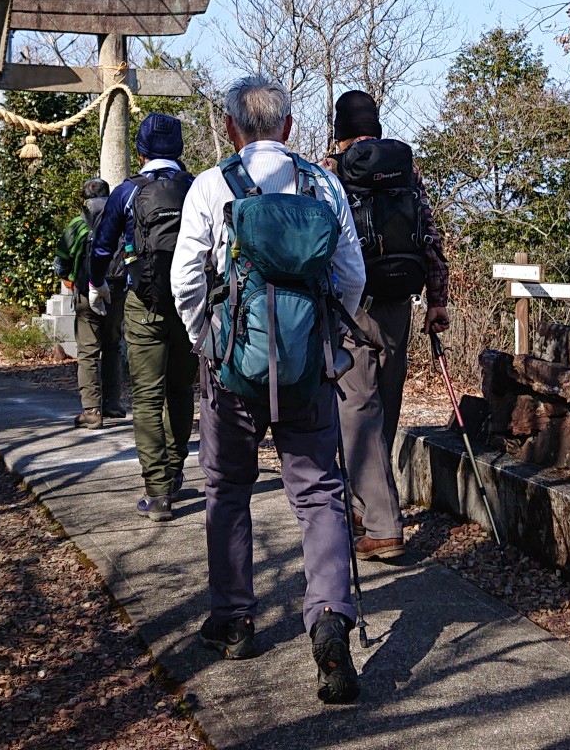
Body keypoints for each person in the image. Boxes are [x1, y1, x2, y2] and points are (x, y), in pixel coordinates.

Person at [172, 74, 365, 704]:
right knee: (319, 492)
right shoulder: (323, 185)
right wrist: (326, 339)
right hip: (307, 367)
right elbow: (351, 275)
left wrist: (208, 342)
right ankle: (330, 618)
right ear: (287, 126)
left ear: (232, 127)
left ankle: (234, 622)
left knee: (228, 488)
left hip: (233, 370)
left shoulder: (211, 185)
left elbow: (185, 281)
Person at [324, 90, 450, 561]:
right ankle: (364, 508)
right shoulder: (406, 172)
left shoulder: (331, 173)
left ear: (340, 132)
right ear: (375, 128)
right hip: (400, 304)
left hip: (352, 307)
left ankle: (383, 526)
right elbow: (429, 238)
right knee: (384, 407)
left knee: (356, 411)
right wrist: (437, 300)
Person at [89, 113, 196, 517]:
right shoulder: (196, 186)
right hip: (190, 305)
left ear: (140, 151)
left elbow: (102, 246)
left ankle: (157, 492)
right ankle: (175, 470)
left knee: (148, 396)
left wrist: (96, 284)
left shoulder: (127, 191)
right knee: (181, 390)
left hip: (143, 302)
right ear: (179, 149)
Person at [61, 177, 120, 428]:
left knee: (88, 352)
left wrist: (70, 279)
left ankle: (92, 411)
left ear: (84, 198)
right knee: (113, 347)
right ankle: (113, 403)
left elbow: (61, 262)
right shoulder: (120, 219)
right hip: (117, 291)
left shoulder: (77, 224)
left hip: (86, 291)